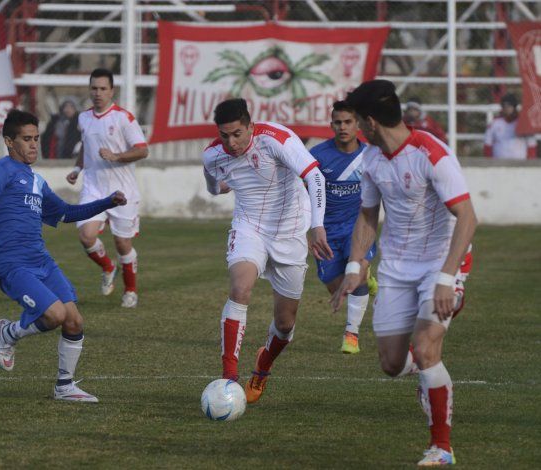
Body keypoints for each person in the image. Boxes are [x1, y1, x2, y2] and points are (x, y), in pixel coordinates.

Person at [332, 80, 477, 466]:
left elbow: (467, 217)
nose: (357, 128)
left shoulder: (432, 154)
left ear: (371, 121)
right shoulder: (373, 160)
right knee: (392, 364)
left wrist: (446, 278)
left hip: (441, 264)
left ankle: (441, 448)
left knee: (428, 349)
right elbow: (367, 216)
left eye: (359, 120)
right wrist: (355, 265)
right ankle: (425, 378)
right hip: (397, 266)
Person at [0, 109, 128, 403]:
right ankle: (9, 333)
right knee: (55, 315)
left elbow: (67, 213)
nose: (34, 144)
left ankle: (65, 386)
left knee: (74, 321)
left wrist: (107, 202)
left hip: (41, 260)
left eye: (36, 138)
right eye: (26, 139)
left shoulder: (36, 181)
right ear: (9, 141)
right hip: (11, 264)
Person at [203, 98, 332, 404]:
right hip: (249, 228)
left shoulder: (276, 138)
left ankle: (263, 365)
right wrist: (226, 185)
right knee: (240, 288)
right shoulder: (211, 155)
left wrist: (318, 226)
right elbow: (213, 186)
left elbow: (313, 176)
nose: (231, 143)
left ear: (250, 126)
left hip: (290, 233)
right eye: (225, 136)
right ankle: (228, 378)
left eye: (237, 134)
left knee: (285, 325)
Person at [66, 69, 149, 308]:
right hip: (93, 188)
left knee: (123, 244)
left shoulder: (124, 118)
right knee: (86, 235)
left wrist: (116, 156)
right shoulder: (84, 118)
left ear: (112, 91)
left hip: (122, 192)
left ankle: (130, 290)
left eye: (103, 88)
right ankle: (107, 266)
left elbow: (142, 150)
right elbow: (86, 146)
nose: (98, 93)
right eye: (94, 88)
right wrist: (77, 168)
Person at [309, 100, 377, 354]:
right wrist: (311, 228)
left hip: (357, 227)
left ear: (357, 124)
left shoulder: (370, 155)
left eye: (348, 122)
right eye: (337, 122)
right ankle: (366, 278)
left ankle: (352, 335)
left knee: (355, 275)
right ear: (331, 125)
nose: (342, 127)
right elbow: (303, 193)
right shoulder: (318, 156)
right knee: (337, 287)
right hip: (327, 232)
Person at [484, 93, 537, 160]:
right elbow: (488, 145)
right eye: (504, 106)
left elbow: (531, 145)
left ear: (514, 107)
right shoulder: (494, 124)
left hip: (520, 165)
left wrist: (530, 165)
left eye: (509, 106)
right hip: (498, 165)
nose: (507, 109)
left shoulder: (524, 123)